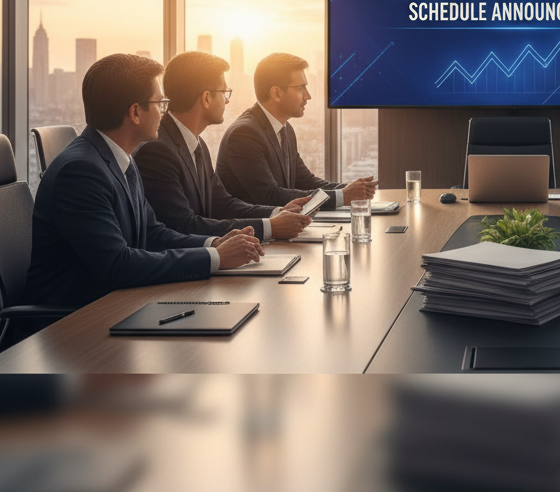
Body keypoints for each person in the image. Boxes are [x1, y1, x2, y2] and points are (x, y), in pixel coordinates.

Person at [26, 53, 263, 311]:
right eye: (160, 102)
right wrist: (215, 258)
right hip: (72, 326)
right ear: (136, 113)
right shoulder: (80, 172)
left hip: (117, 306)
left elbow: (152, 233)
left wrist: (213, 243)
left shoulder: (120, 158)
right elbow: (118, 265)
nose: (164, 111)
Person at [136, 51, 314, 240]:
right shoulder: (157, 152)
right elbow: (183, 225)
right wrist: (269, 227)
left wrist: (277, 212)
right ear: (206, 98)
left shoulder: (197, 144)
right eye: (224, 92)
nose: (227, 100)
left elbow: (222, 203)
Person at [216, 52, 377, 207]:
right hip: (252, 232)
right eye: (301, 88)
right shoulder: (244, 134)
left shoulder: (285, 129)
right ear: (276, 93)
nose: (308, 96)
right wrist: (343, 195)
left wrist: (351, 189)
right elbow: (270, 196)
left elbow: (306, 181)